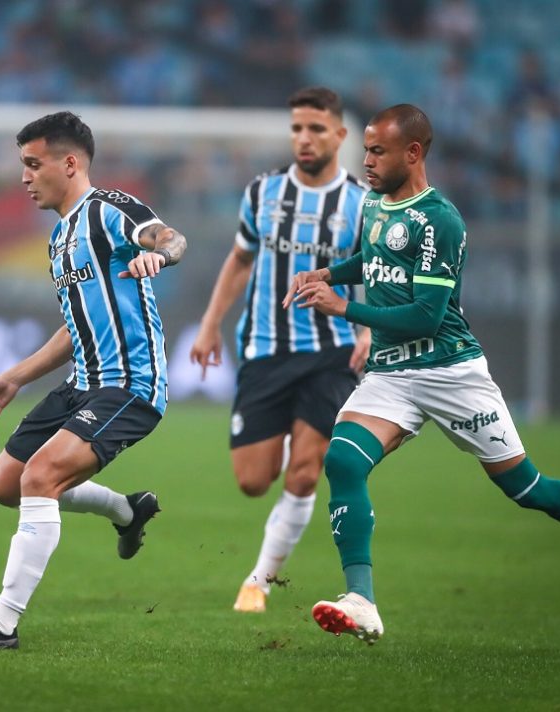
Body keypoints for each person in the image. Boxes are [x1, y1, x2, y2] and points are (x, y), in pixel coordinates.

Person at [284, 104, 560, 645]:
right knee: (343, 460)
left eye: (377, 151)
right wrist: (327, 273)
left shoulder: (442, 220)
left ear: (412, 153)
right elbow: (368, 261)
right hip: (392, 374)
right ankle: (362, 601)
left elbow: (426, 315)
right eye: (366, 150)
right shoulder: (374, 203)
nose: (366, 161)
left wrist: (343, 309)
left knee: (526, 487)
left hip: (451, 373)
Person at [0, 111, 187, 649]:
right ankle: (126, 509)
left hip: (130, 384)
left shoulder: (109, 211)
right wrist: (13, 378)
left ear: (69, 163)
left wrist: (158, 256)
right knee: (4, 483)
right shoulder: (60, 239)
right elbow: (75, 329)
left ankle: (0, 625)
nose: (24, 177)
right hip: (81, 384)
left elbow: (170, 237)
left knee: (41, 476)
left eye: (32, 164)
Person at [190, 86, 370, 613]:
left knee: (307, 472)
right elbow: (241, 259)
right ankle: (294, 437)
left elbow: (380, 276)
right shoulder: (263, 193)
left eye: (316, 128)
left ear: (340, 135)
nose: (304, 138)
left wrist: (368, 329)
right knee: (251, 481)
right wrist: (208, 323)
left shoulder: (361, 202)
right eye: (297, 128)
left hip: (332, 353)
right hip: (265, 349)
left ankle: (258, 582)